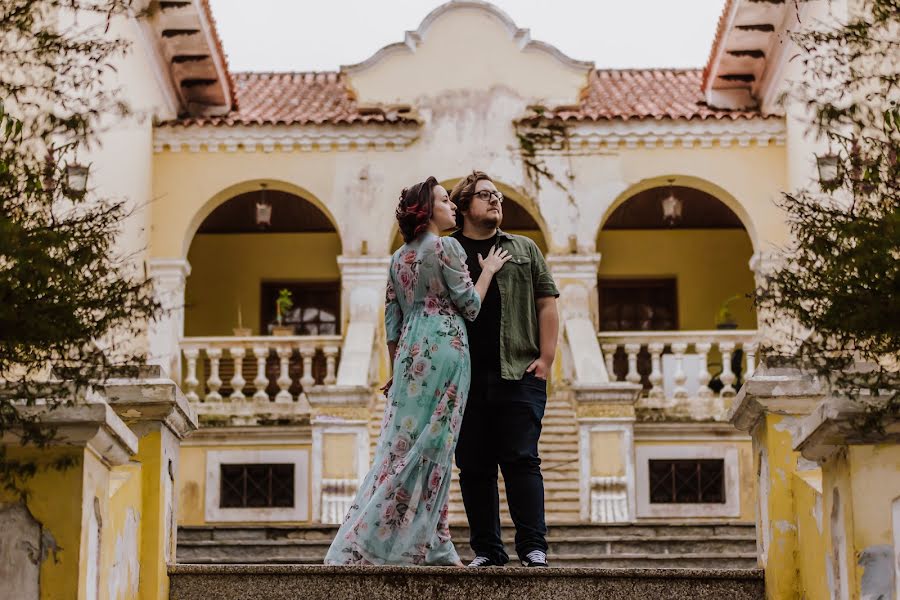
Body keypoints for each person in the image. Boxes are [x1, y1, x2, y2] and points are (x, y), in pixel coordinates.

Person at [324, 176, 511, 566]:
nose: (453, 207)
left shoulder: (397, 259)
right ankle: (434, 542)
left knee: (398, 447)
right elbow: (471, 306)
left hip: (410, 353)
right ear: (427, 211)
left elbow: (392, 324)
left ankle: (415, 539)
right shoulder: (447, 246)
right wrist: (489, 269)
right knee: (437, 447)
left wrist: (397, 370)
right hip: (446, 348)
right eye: (445, 201)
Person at [450, 170, 560, 568]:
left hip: (519, 374)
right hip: (462, 380)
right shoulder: (446, 251)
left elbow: (547, 303)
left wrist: (546, 359)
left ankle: (533, 547)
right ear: (463, 207)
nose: (496, 200)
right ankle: (487, 551)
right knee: (474, 467)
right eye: (484, 195)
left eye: (498, 195)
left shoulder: (525, 248)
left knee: (522, 460)